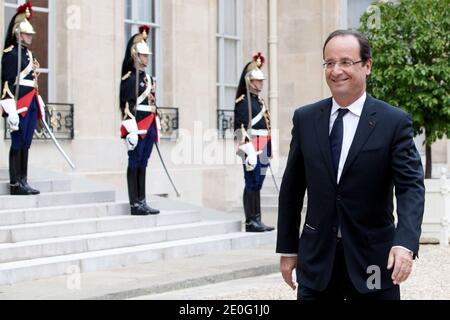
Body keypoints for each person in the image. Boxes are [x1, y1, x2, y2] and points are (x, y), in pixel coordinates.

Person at [276, 30, 425, 300]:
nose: (336, 71)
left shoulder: (394, 122)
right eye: (329, 63)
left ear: (367, 66)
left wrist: (405, 243)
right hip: (317, 263)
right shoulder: (306, 119)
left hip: (374, 263)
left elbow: (410, 188)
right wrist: (288, 249)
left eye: (346, 62)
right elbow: (292, 189)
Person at [1, 1, 45, 196]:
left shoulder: (27, 53)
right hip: (19, 104)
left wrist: (38, 100)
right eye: (27, 33)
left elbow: (32, 81)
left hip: (31, 101)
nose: (29, 37)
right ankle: (15, 183)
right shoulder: (11, 54)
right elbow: (6, 84)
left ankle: (23, 180)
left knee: (26, 142)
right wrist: (9, 109)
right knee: (18, 142)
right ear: (18, 33)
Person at [120, 25, 160, 216]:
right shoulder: (129, 78)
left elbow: (152, 101)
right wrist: (131, 128)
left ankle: (142, 200)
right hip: (137, 125)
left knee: (143, 162)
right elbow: (126, 105)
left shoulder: (149, 78)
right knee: (135, 161)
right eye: (144, 55)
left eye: (147, 55)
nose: (147, 58)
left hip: (149, 123)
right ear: (135, 55)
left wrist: (156, 118)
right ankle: (134, 203)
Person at [234, 53, 274, 233]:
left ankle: (257, 218)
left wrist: (269, 147)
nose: (261, 84)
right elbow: (239, 127)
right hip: (251, 146)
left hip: (263, 144)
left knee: (258, 183)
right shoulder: (243, 101)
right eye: (258, 81)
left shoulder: (259, 101)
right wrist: (248, 150)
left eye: (262, 80)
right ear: (250, 81)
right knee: (251, 182)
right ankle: (251, 220)